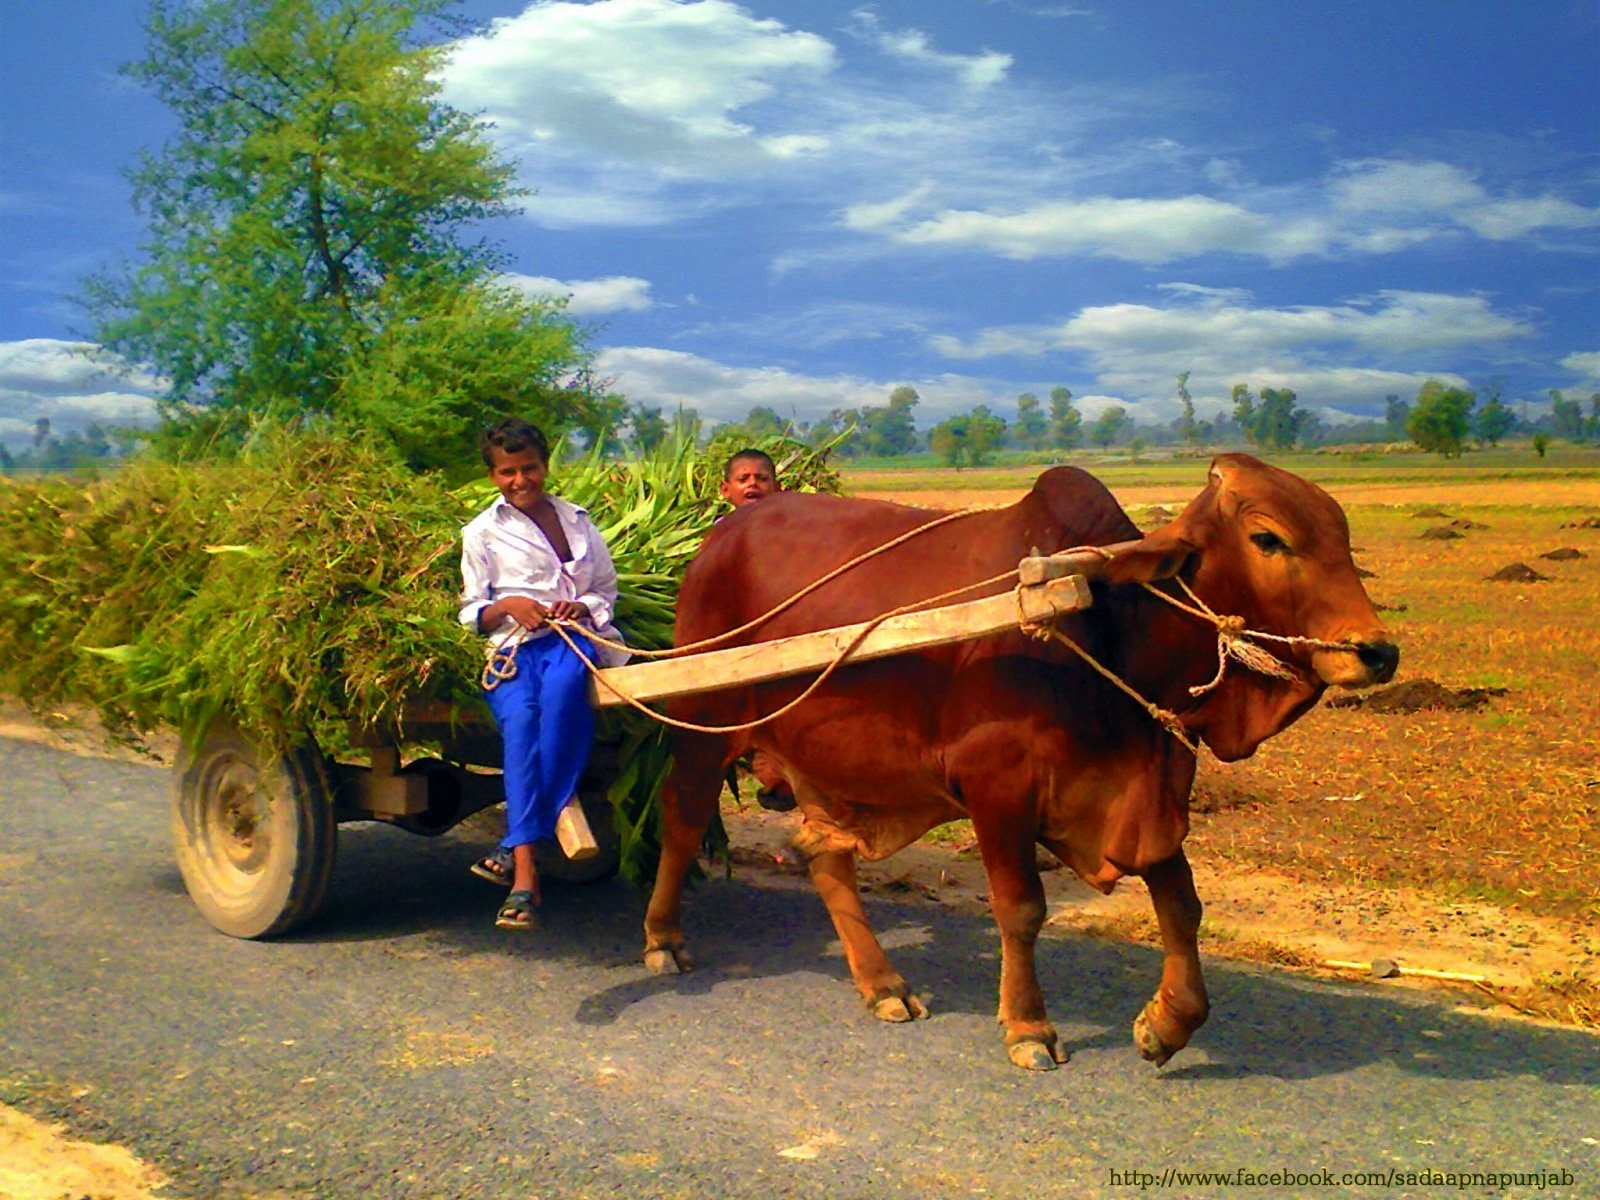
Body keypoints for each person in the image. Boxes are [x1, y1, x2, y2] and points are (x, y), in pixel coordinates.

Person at [458, 417, 627, 931]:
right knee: (520, 725)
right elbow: (470, 609)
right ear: (493, 477)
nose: (520, 480)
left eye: (529, 468)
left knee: (560, 700)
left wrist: (580, 607)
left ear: (545, 466)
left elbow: (605, 588)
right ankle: (523, 874)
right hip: (512, 649)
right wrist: (508, 603)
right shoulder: (482, 532)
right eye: (508, 472)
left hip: (571, 644)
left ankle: (516, 856)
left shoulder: (578, 521)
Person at [715, 448, 796, 818]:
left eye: (761, 478)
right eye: (743, 479)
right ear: (725, 490)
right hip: (732, 645)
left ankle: (784, 773)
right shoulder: (717, 537)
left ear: (776, 488)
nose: (753, 484)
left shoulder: (794, 534)